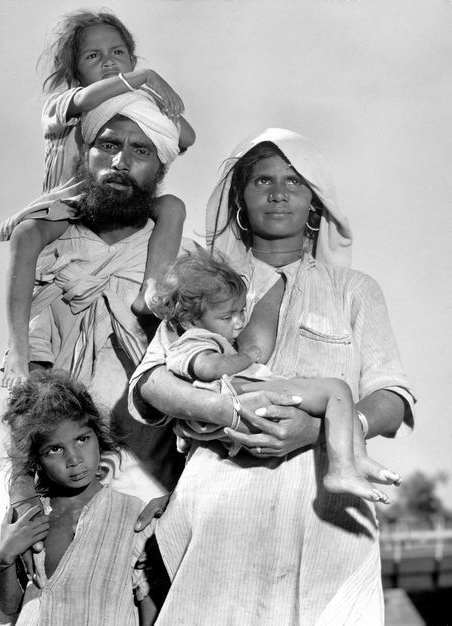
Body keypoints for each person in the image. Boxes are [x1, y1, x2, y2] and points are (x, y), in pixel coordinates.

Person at [129, 128, 415, 625]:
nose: (278, 192)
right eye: (262, 180)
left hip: (327, 515)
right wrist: (226, 409)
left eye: (294, 181)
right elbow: (153, 380)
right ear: (240, 198)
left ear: (315, 203)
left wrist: (320, 428)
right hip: (221, 507)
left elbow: (392, 395)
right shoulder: (202, 284)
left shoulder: (354, 290)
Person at [0, 94, 186, 626]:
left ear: (159, 168)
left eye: (140, 150)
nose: (121, 161)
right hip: (48, 483)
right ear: (85, 156)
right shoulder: (51, 250)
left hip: (148, 469)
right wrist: (26, 498)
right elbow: (26, 394)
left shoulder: (175, 256)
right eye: (108, 145)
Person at [0, 9, 196, 390]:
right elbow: (88, 98)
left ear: (130, 57)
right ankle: (19, 345)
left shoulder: (133, 106)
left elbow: (184, 137)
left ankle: (150, 289)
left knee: (173, 207)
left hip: (122, 197)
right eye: (93, 56)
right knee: (26, 235)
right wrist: (143, 78)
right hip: (69, 206)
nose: (108, 62)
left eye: (118, 53)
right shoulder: (64, 102)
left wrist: (150, 97)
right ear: (75, 71)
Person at [141, 246, 401, 503]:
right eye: (228, 316)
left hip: (242, 394)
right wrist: (247, 356)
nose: (239, 322)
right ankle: (343, 468)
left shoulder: (203, 327)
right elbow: (208, 368)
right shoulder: (193, 338)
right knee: (337, 390)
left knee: (338, 393)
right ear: (189, 320)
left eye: (242, 311)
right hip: (237, 392)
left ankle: (353, 460)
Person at [0, 370, 168, 626]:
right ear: (36, 460)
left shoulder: (134, 515)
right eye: (55, 449)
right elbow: (8, 605)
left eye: (82, 439)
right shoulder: (28, 519)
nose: (74, 460)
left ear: (99, 437)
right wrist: (4, 558)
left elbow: (148, 601)